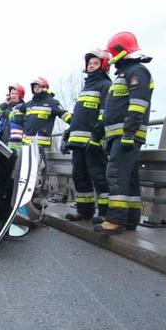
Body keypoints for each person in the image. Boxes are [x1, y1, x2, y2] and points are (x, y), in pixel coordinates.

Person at [95, 32, 154, 235]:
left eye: (112, 53)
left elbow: (138, 105)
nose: (110, 58)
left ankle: (115, 220)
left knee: (116, 175)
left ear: (120, 52)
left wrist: (128, 133)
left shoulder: (138, 72)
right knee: (129, 178)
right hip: (117, 136)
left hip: (126, 135)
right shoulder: (124, 74)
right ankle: (130, 220)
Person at [64, 50, 112, 222]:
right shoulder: (86, 87)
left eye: (95, 63)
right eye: (89, 63)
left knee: (99, 176)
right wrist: (67, 136)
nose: (91, 65)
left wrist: (97, 135)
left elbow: (105, 112)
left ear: (103, 65)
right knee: (80, 176)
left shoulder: (105, 85)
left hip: (93, 141)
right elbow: (79, 116)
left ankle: (106, 213)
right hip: (78, 143)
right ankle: (85, 211)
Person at [17, 77, 72, 202]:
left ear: (45, 88)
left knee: (39, 170)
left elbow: (64, 114)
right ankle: (25, 195)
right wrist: (20, 120)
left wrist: (75, 125)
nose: (36, 89)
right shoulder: (29, 104)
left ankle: (37, 196)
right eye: (35, 87)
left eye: (39, 87)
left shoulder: (52, 102)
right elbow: (17, 112)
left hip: (41, 144)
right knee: (26, 170)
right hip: (27, 144)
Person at [0, 83, 26, 149]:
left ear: (20, 95)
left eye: (16, 94)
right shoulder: (7, 107)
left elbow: (18, 119)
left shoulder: (23, 107)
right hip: (2, 141)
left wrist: (6, 113)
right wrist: (5, 103)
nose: (13, 95)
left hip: (15, 144)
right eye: (12, 93)